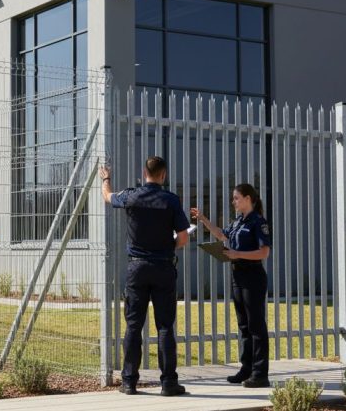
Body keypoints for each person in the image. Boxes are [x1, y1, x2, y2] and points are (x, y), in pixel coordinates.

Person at [99, 156, 189, 397]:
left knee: (133, 325)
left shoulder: (131, 196)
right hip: (163, 268)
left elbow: (108, 197)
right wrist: (167, 246)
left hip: (137, 268)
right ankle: (169, 383)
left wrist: (105, 178)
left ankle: (129, 382)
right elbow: (183, 237)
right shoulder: (171, 200)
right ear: (164, 175)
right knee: (165, 326)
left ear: (143, 173)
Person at [191, 183, 272, 388]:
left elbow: (264, 252)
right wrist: (203, 220)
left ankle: (260, 374)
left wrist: (238, 254)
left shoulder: (258, 222)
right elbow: (222, 235)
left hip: (253, 276)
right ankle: (247, 369)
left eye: (236, 198)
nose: (233, 201)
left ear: (247, 198)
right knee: (244, 326)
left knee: (256, 326)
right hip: (238, 275)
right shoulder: (238, 221)